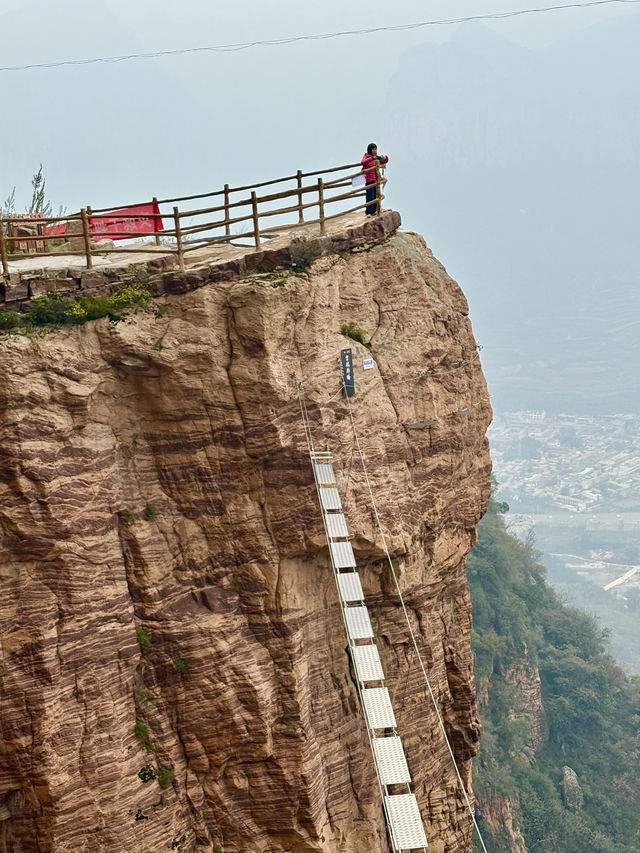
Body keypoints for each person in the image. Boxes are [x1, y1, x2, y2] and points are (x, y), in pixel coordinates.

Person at [361, 143, 389, 215]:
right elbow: (363, 162)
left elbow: (385, 161)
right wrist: (371, 158)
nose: (375, 150)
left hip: (376, 180)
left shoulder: (376, 158)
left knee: (375, 196)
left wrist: (384, 157)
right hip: (369, 181)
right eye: (373, 149)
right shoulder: (366, 156)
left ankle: (374, 211)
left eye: (376, 149)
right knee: (370, 197)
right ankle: (368, 213)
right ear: (370, 150)